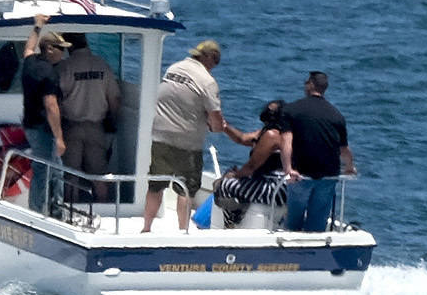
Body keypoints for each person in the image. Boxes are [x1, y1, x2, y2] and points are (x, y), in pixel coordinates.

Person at [144, 39, 259, 231]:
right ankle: (182, 231)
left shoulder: (174, 68)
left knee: (155, 186)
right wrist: (218, 127)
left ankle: (146, 227)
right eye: (216, 61)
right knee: (186, 189)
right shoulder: (207, 82)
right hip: (187, 142)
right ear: (209, 58)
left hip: (159, 136)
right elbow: (216, 121)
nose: (215, 66)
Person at [278, 70, 354, 231]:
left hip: (301, 174)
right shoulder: (337, 115)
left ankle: (290, 250)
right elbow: (344, 149)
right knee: (318, 221)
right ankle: (312, 252)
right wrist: (349, 167)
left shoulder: (292, 110)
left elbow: (286, 141)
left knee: (294, 219)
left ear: (311, 85)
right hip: (329, 175)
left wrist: (288, 169)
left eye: (306, 82)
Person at [56, 34, 123, 203]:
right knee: (99, 174)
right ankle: (105, 207)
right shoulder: (102, 65)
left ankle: (72, 208)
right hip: (96, 127)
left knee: (71, 174)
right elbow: (114, 98)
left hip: (70, 127)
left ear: (68, 47)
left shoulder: (65, 67)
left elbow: (55, 98)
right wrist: (114, 121)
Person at [211, 100, 292, 230]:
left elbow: (252, 166)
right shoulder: (277, 133)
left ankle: (230, 221)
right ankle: (236, 212)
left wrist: (235, 175)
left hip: (274, 188)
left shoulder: (271, 135)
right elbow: (242, 138)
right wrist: (225, 127)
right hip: (280, 186)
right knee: (229, 179)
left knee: (222, 185)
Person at [17, 20, 68, 215]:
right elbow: (51, 106)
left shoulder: (31, 62)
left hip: (30, 126)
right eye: (60, 49)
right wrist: (59, 137)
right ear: (48, 49)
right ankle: (39, 211)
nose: (63, 53)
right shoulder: (49, 73)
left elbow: (29, 47)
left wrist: (37, 27)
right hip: (43, 130)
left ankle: (54, 208)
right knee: (45, 170)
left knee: (55, 169)